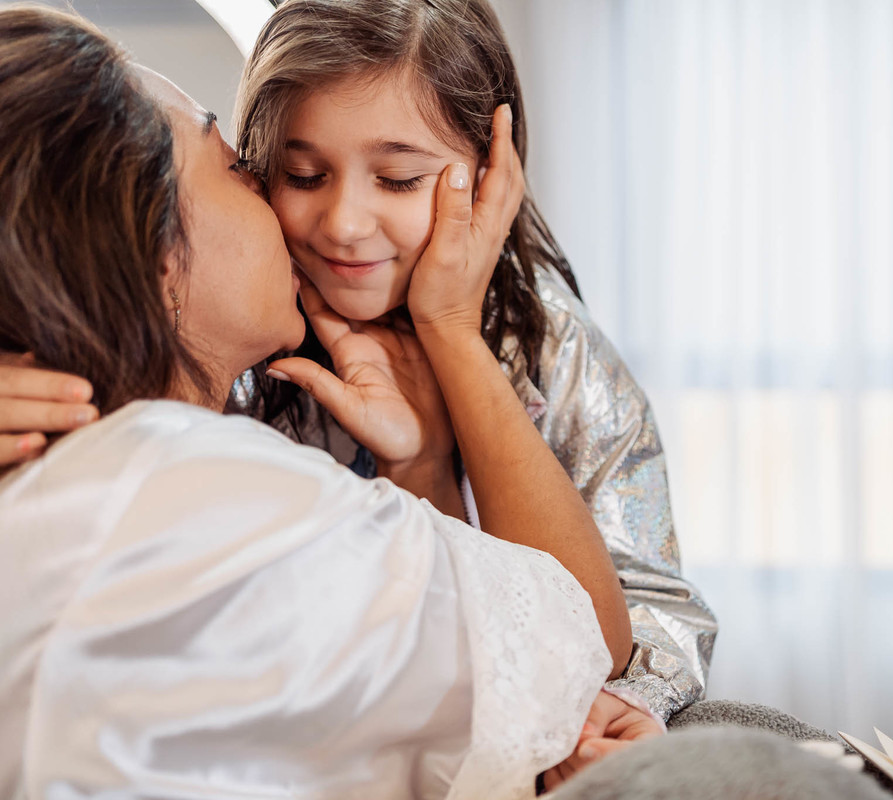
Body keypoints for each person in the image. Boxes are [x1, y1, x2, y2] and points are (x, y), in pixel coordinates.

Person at [0, 0, 719, 731]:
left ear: (490, 170)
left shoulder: (544, 339)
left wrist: (452, 338)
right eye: (302, 175)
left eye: (400, 180)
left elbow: (639, 609)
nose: (343, 224)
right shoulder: (236, 324)